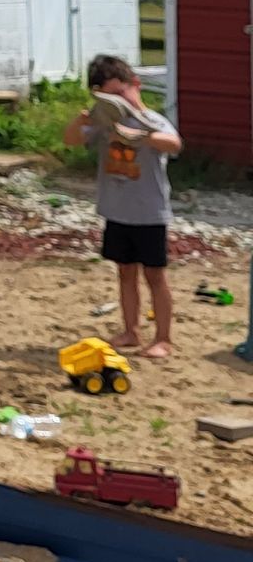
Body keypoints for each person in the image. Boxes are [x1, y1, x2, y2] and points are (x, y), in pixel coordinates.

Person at [65, 57, 182, 361]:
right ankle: (131, 330)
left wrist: (139, 137)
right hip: (117, 212)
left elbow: (174, 144)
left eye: (120, 94)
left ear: (135, 86)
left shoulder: (151, 121)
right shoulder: (104, 125)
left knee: (155, 276)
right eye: (107, 97)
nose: (116, 102)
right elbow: (70, 140)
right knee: (124, 273)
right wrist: (83, 121)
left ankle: (164, 338)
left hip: (149, 213)